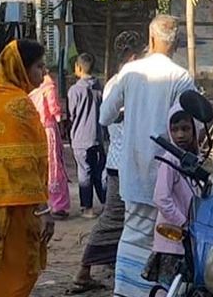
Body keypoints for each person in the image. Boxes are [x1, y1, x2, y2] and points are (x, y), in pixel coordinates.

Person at [100, 15, 195, 297]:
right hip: (165, 174)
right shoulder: (180, 77)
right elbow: (185, 126)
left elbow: (105, 115)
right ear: (176, 43)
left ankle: (124, 291)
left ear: (150, 38)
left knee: (131, 234)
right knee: (164, 241)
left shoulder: (130, 73)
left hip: (131, 172)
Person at [0, 39, 56, 296]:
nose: (43, 73)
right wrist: (43, 209)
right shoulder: (18, 105)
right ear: (21, 69)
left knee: (0, 276)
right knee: (17, 277)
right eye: (38, 67)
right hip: (17, 209)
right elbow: (24, 165)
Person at [72, 33, 144, 294]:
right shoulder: (126, 82)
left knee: (126, 218)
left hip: (122, 159)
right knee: (114, 217)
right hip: (123, 162)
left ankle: (116, 265)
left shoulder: (117, 81)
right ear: (134, 56)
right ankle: (84, 269)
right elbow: (110, 120)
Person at [142, 105, 199, 289]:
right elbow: (161, 198)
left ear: (195, 129)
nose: (180, 135)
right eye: (175, 130)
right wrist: (183, 223)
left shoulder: (193, 160)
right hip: (171, 239)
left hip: (188, 240)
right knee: (168, 289)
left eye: (185, 129)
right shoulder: (170, 160)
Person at [68, 53, 106, 219]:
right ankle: (106, 204)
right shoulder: (99, 88)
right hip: (97, 137)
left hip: (80, 138)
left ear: (78, 68)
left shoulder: (75, 90)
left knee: (84, 173)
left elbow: (71, 114)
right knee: (99, 173)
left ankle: (87, 208)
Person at [30, 71, 70, 218]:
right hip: (48, 129)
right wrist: (61, 119)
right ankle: (58, 204)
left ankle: (41, 203)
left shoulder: (30, 84)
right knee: (54, 166)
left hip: (35, 129)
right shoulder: (48, 84)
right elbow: (54, 109)